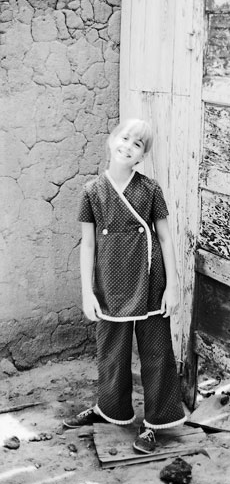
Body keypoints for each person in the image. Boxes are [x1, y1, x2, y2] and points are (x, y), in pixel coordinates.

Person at [63, 118, 186, 454]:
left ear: (141, 156)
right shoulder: (91, 191)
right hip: (110, 283)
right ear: (112, 140)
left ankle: (155, 423)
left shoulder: (150, 189)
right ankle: (110, 409)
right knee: (111, 353)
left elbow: (165, 237)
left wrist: (172, 288)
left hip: (150, 281)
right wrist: (87, 292)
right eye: (125, 138)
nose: (128, 146)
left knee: (157, 353)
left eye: (137, 145)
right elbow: (87, 245)